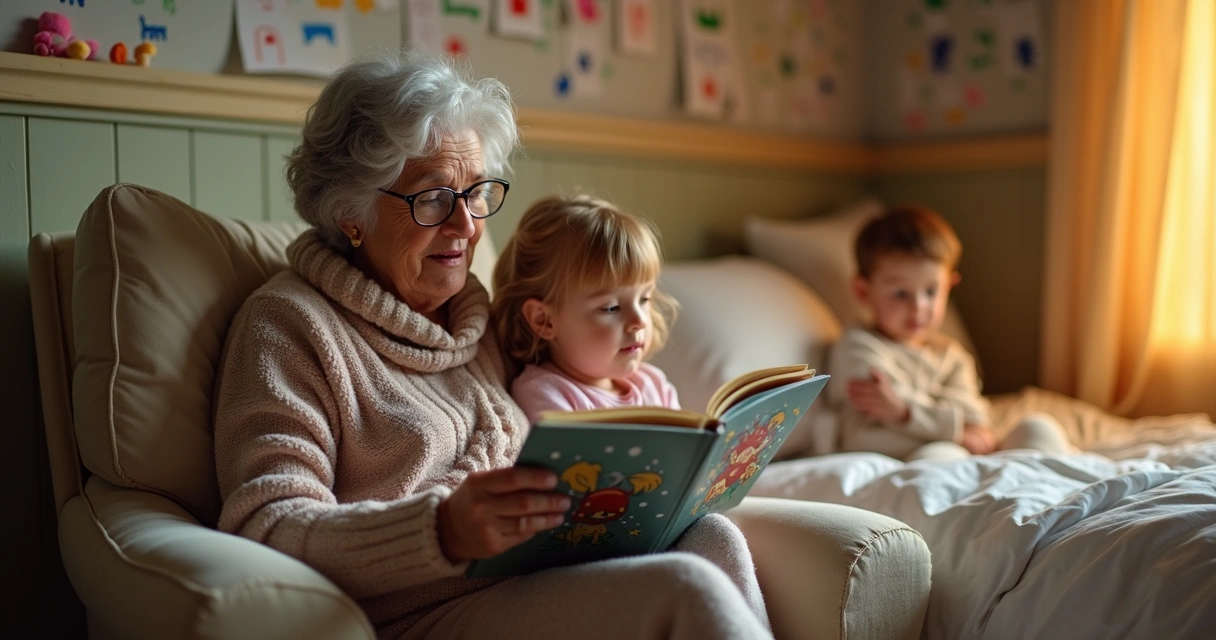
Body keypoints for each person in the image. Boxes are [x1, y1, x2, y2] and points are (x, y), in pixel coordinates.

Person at [212, 50, 775, 639]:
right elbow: (265, 524)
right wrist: (440, 530)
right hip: (419, 612)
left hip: (540, 576)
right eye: (432, 198)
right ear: (351, 210)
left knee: (714, 537)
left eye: (476, 192)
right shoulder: (289, 327)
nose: (466, 227)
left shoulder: (482, 322)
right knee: (686, 587)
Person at [829, 205, 1072, 462]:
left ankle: (1059, 493)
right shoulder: (858, 348)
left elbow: (974, 414)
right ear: (863, 292)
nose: (918, 307)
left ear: (949, 286)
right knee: (941, 456)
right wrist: (949, 426)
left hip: (967, 450)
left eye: (931, 292)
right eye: (901, 294)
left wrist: (904, 411)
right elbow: (877, 422)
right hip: (906, 456)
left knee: (1038, 427)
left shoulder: (950, 354)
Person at [491, 194, 681, 424]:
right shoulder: (547, 395)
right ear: (544, 321)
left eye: (644, 299)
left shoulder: (653, 384)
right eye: (611, 308)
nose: (639, 320)